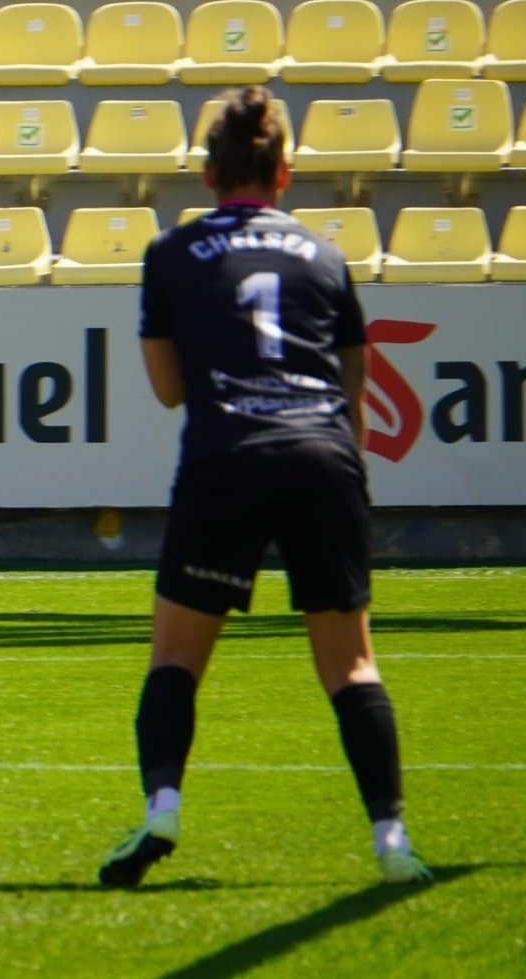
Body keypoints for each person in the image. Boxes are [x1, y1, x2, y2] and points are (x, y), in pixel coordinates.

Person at [99, 87, 429, 888]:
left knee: (176, 655)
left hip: (227, 454)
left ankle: (162, 809)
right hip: (322, 457)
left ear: (208, 173)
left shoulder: (170, 254)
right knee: (351, 665)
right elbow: (352, 394)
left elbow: (171, 389)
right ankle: (391, 841)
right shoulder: (325, 255)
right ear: (284, 171)